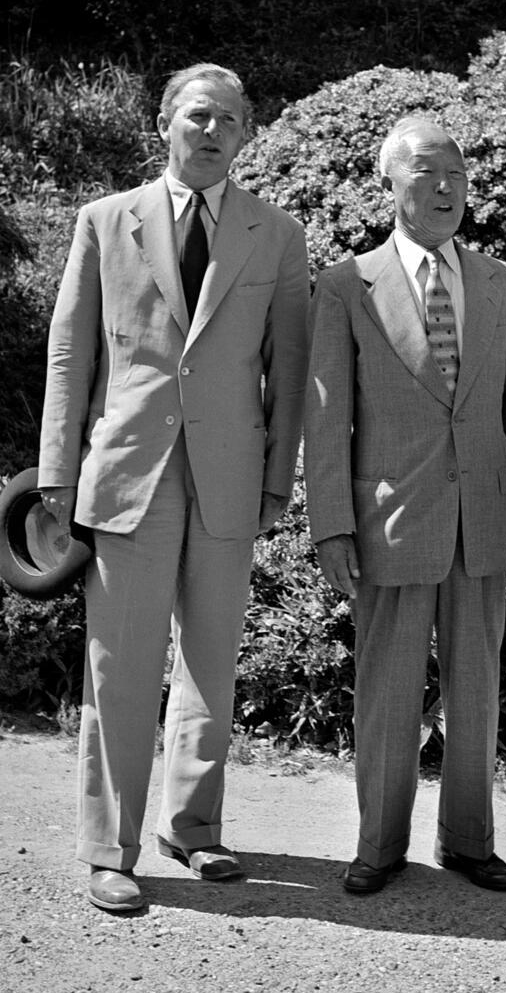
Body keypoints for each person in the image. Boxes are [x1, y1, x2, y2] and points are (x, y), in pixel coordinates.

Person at [37, 62, 310, 913]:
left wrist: (278, 476)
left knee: (211, 664)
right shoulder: (104, 220)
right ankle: (109, 848)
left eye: (228, 119)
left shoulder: (278, 233)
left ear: (246, 133)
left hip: (230, 478)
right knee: (119, 667)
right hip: (129, 474)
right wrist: (57, 471)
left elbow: (290, 369)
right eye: (197, 115)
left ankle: (193, 828)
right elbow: (70, 353)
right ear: (163, 123)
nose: (211, 131)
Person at [304, 117, 506, 895]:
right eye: (426, 174)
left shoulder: (499, 281)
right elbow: (326, 418)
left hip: (483, 515)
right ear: (391, 185)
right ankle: (379, 845)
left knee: (477, 689)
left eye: (457, 175)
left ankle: (470, 841)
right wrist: (332, 524)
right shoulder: (346, 285)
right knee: (387, 692)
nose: (445, 189)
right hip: (390, 520)